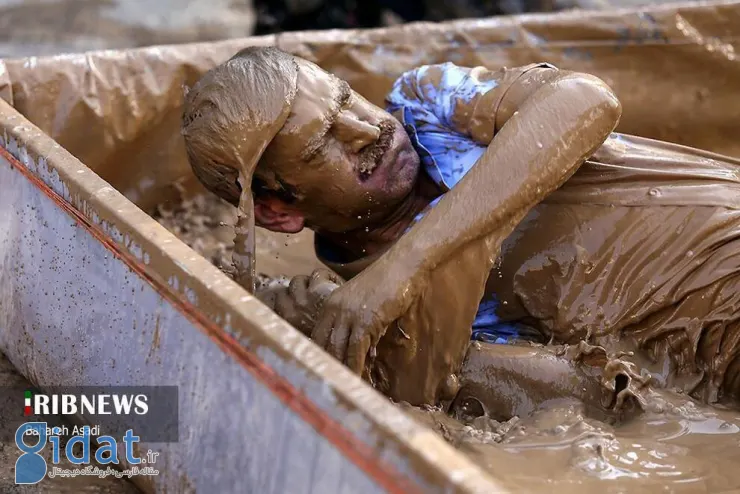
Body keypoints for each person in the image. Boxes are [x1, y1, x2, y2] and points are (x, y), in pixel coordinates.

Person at [181, 46, 740, 407]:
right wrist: (403, 352)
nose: (366, 129)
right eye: (322, 141)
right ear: (279, 212)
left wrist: (412, 260)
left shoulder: (427, 107)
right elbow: (600, 400)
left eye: (347, 98)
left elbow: (585, 100)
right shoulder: (376, 321)